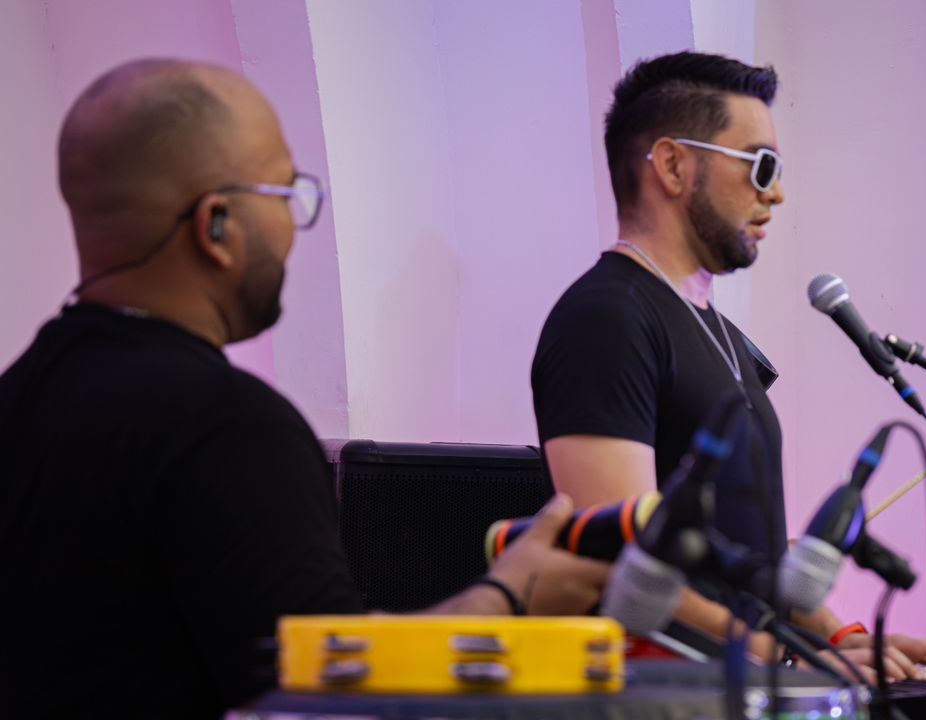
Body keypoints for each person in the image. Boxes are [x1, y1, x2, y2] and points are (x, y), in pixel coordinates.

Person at [0, 59, 607, 719]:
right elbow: (326, 695)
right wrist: (511, 598)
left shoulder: (18, 396)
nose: (294, 229)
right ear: (217, 225)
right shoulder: (228, 426)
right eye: (287, 195)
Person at [531, 51, 926, 681]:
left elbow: (743, 561)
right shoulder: (606, 319)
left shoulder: (717, 333)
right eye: (761, 165)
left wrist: (844, 637)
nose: (777, 193)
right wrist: (794, 659)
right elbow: (624, 567)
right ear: (673, 165)